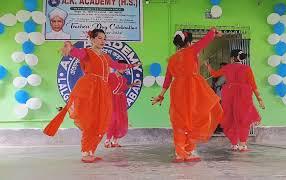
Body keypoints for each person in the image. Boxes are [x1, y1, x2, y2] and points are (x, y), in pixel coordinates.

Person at [43, 29, 141, 163]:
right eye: (100, 38)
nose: (103, 41)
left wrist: (132, 65)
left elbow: (117, 65)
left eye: (104, 39)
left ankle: (91, 151)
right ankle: (85, 152)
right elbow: (77, 53)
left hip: (103, 90)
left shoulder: (105, 56)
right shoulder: (87, 52)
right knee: (90, 120)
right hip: (91, 88)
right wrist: (70, 48)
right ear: (92, 39)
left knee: (100, 120)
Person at [151, 28, 224, 163]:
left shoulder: (172, 59)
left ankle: (180, 153)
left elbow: (168, 78)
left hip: (177, 90)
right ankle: (189, 151)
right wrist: (214, 31)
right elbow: (205, 40)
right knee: (194, 117)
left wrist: (161, 95)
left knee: (180, 119)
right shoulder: (191, 50)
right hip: (192, 88)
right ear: (189, 42)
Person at [205, 49, 265, 152]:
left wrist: (208, 65)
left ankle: (234, 144)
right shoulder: (247, 69)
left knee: (230, 118)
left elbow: (214, 74)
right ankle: (242, 144)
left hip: (229, 94)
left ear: (232, 58)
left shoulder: (227, 67)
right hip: (244, 95)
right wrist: (260, 100)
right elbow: (253, 86)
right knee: (243, 119)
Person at [104, 60, 140, 148]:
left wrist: (132, 85)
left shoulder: (123, 79)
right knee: (112, 120)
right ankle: (107, 140)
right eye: (122, 67)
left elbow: (124, 87)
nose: (124, 70)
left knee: (120, 121)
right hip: (112, 100)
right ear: (117, 67)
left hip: (121, 101)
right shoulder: (109, 76)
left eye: (125, 68)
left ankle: (115, 141)